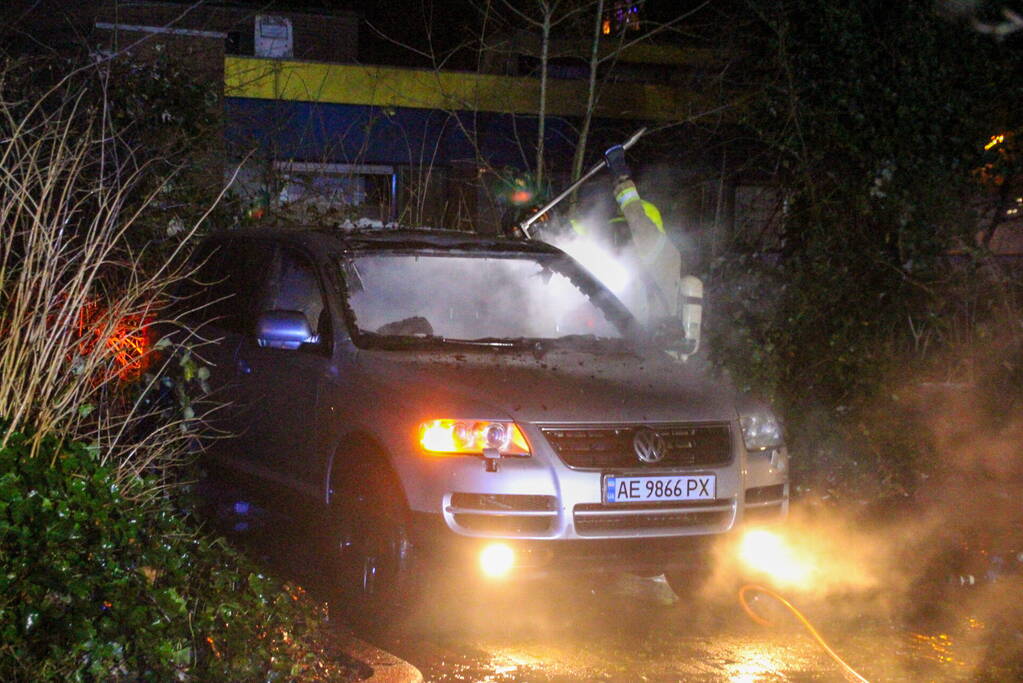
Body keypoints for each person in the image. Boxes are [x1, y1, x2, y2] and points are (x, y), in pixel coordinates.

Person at [603, 144, 682, 326]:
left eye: (624, 231)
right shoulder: (626, 264)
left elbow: (636, 217)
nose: (619, 239)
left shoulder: (663, 257)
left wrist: (621, 177)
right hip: (625, 348)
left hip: (654, 349)